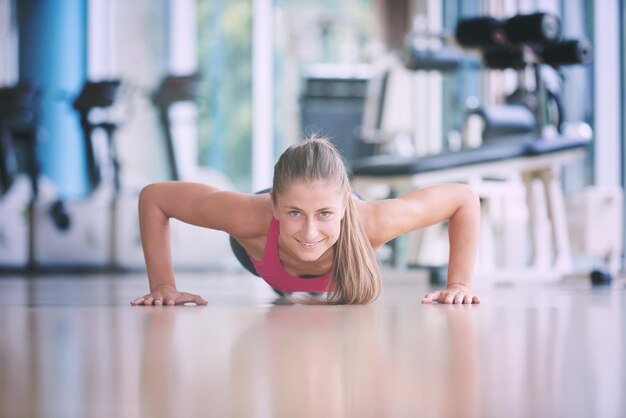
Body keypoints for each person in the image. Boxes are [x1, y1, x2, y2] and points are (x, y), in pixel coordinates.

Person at [131, 137, 481, 306]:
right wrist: (164, 286)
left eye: (325, 214)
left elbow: (463, 199)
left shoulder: (372, 220)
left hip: (336, 237)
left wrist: (460, 284)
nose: (310, 232)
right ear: (274, 205)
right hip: (258, 252)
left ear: (345, 206)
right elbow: (155, 198)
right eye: (295, 213)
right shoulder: (247, 215)